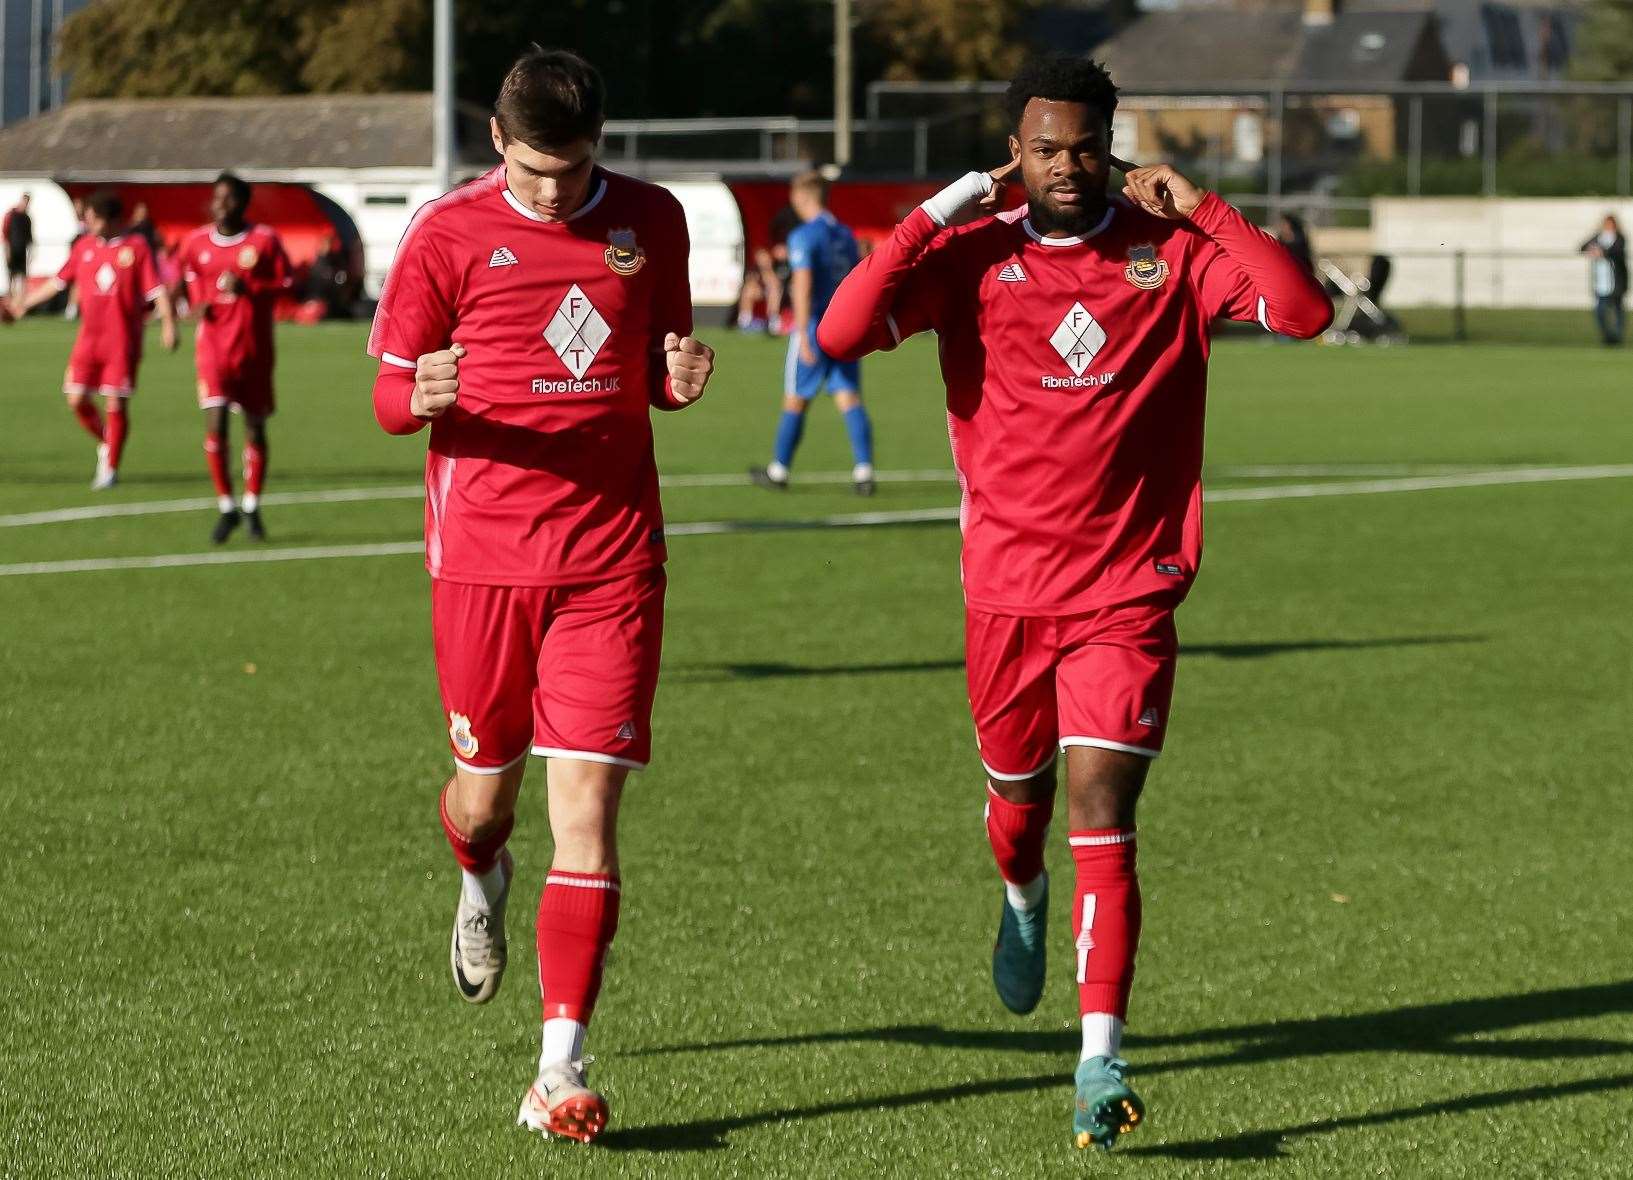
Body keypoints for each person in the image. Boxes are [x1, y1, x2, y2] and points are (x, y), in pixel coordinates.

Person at [818, 55, 1331, 1151]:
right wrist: (946, 205)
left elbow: (1302, 310)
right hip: (1005, 593)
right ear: (1019, 148)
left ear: (1111, 142)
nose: (1065, 166)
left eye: (1084, 147)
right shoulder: (974, 255)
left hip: (1126, 593)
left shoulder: (1169, 252)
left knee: (1105, 807)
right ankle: (1019, 891)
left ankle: (1099, 1056)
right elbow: (839, 333)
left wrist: (1202, 205)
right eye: (1044, 148)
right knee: (1020, 812)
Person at [367, 46, 714, 1145]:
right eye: (533, 171)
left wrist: (678, 379)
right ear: (495, 144)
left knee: (592, 819)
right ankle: (480, 874)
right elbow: (386, 392)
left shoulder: (651, 220)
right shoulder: (445, 232)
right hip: (481, 560)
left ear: (599, 143)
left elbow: (657, 364)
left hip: (613, 560)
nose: (554, 191)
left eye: (572, 169)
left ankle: (556, 1069)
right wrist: (411, 392)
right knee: (483, 797)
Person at [6, 190, 178, 488]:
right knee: (75, 398)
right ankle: (107, 442)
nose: (87, 221)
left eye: (92, 217)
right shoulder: (84, 246)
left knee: (116, 405)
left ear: (110, 220)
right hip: (88, 340)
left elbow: (156, 290)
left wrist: (168, 325)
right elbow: (58, 282)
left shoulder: (135, 248)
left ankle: (109, 469)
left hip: (122, 342)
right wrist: (24, 304)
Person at [175, 173, 294, 542]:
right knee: (216, 424)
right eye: (216, 198)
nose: (219, 205)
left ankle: (252, 506)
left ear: (243, 203)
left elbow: (288, 283)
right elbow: (185, 276)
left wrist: (251, 288)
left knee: (255, 428)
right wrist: (192, 305)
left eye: (227, 198)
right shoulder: (195, 242)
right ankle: (226, 506)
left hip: (254, 349)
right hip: (212, 348)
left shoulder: (264, 240)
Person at [750, 171, 875, 495]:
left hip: (816, 327)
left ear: (801, 198)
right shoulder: (845, 234)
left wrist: (803, 334)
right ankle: (864, 471)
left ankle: (778, 471)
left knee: (796, 399)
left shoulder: (804, 235)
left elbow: (802, 287)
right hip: (843, 327)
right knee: (849, 397)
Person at [1580, 215, 1627, 346]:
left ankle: (1618, 338)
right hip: (1601, 283)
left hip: (1616, 283)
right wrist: (1593, 250)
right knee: (1600, 310)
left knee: (1617, 310)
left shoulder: (1619, 238)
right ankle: (1608, 337)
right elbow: (1582, 247)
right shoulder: (1598, 237)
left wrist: (1602, 252)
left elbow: (1615, 251)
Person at [3, 192, 32, 304]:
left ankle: (20, 303)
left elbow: (29, 238)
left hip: (22, 251)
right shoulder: (11, 215)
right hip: (12, 250)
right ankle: (9, 303)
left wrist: (30, 255)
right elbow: (5, 234)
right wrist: (7, 251)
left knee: (22, 278)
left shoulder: (27, 218)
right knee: (11, 277)